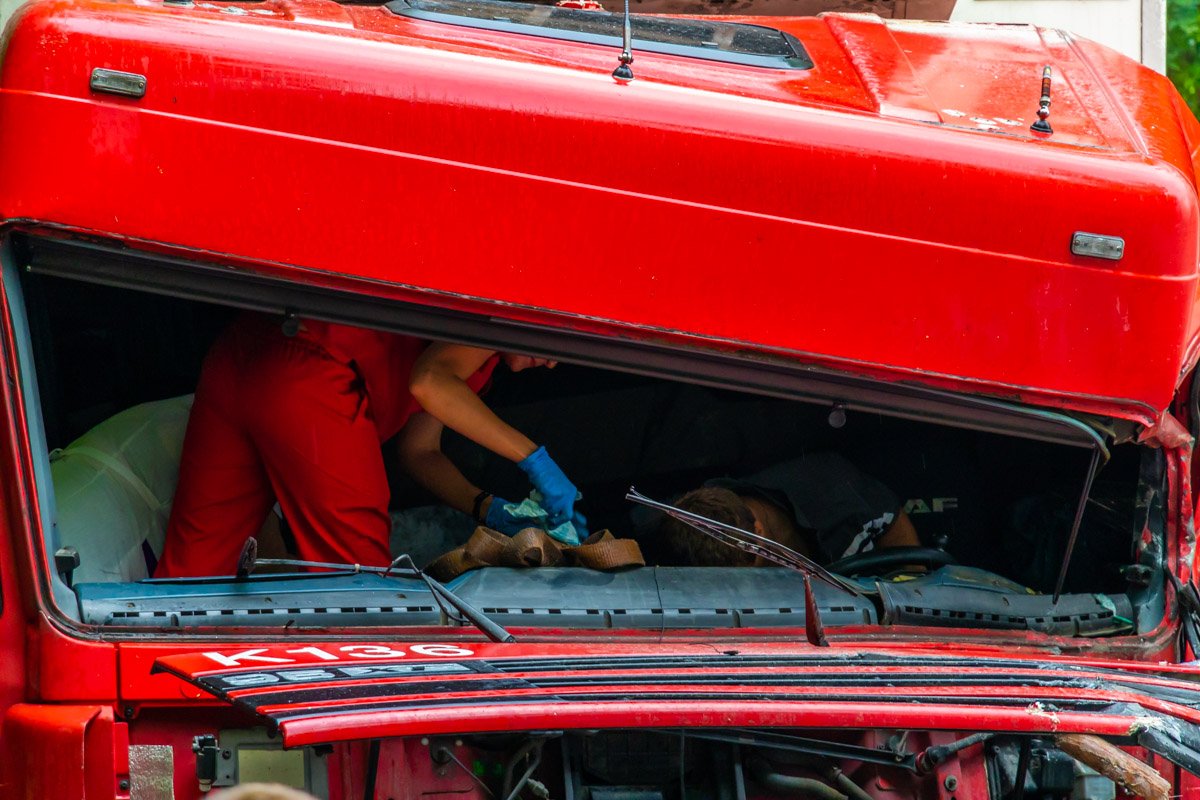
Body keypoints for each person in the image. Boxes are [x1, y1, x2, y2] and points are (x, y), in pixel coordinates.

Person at [155, 312, 582, 577]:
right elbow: (429, 381)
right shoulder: (513, 300)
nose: (552, 361)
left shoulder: (476, 364)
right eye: (567, 335)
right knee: (359, 588)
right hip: (310, 373)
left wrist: (488, 508)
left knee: (193, 577)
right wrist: (535, 459)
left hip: (242, 353)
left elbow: (420, 451)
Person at [658, 452, 918, 567]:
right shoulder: (674, 530)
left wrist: (909, 583)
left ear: (758, 530)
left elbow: (893, 524)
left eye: (747, 575)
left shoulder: (834, 490)